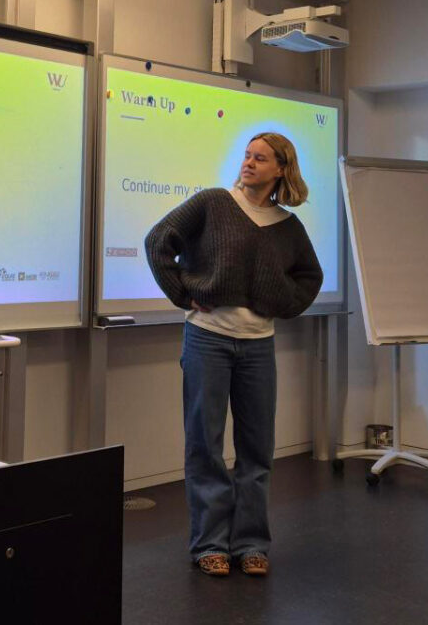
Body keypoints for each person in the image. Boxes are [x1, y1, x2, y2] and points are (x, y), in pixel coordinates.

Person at [144, 132, 323, 578]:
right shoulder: (213, 203)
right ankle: (209, 545)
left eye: (260, 158)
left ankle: (251, 544)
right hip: (207, 339)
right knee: (205, 444)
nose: (249, 163)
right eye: (247, 155)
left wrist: (280, 302)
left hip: (259, 345)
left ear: (281, 169)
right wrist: (182, 294)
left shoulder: (287, 226)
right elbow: (158, 240)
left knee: (257, 449)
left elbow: (309, 277)